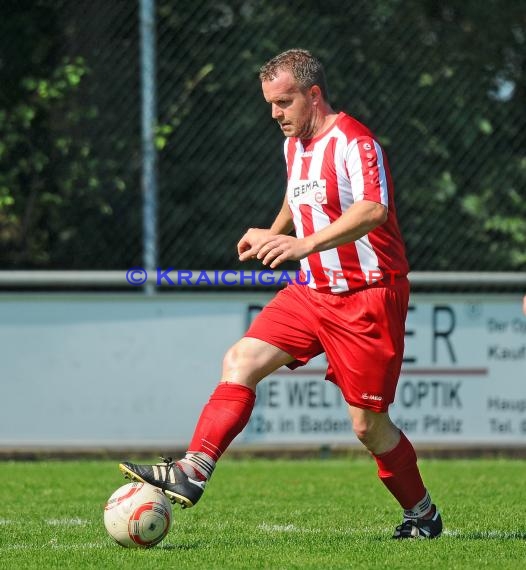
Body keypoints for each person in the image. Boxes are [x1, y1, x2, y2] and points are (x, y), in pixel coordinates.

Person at [119, 49, 443, 539]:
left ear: (314, 95)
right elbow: (298, 194)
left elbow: (375, 209)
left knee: (368, 427)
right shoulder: (294, 144)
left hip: (367, 297)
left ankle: (421, 514)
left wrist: (303, 244)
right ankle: (193, 470)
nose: (275, 114)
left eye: (284, 102)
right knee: (241, 360)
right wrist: (272, 233)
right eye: (270, 103)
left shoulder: (356, 143)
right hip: (311, 291)